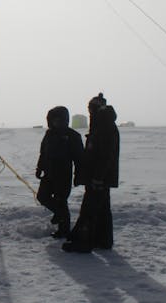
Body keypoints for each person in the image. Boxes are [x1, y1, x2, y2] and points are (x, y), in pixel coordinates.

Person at [63, 93, 120, 253]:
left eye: (91, 108)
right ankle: (103, 239)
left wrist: (98, 177)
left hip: (99, 178)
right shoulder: (102, 124)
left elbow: (105, 155)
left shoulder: (104, 126)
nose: (89, 112)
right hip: (100, 177)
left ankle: (84, 241)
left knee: (90, 209)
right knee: (102, 209)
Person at [35, 106, 84, 238]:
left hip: (63, 174)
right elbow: (43, 152)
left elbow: (79, 159)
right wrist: (39, 168)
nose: (56, 122)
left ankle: (64, 230)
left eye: (58, 119)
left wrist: (79, 176)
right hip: (49, 173)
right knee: (42, 197)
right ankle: (59, 214)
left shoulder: (73, 136)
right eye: (53, 120)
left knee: (61, 201)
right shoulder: (49, 134)